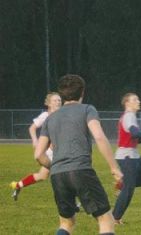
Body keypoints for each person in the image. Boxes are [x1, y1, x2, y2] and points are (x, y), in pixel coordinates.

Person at [34, 74, 123, 235]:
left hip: (58, 175)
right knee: (105, 219)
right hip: (81, 170)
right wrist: (113, 167)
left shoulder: (50, 119)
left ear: (62, 94)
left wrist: (54, 166)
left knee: (66, 223)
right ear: (82, 92)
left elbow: (39, 154)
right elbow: (99, 136)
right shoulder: (88, 109)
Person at [113, 93, 141, 225]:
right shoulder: (128, 116)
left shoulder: (131, 116)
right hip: (126, 156)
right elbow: (134, 133)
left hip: (134, 155)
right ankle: (115, 218)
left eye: (138, 99)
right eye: (135, 99)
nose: (138, 101)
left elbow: (134, 138)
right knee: (129, 188)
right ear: (127, 103)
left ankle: (123, 184)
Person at [10, 92, 62, 201]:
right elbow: (32, 128)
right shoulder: (45, 116)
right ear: (49, 104)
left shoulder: (62, 115)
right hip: (51, 153)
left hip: (59, 151)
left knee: (42, 176)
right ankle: (72, 202)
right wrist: (35, 140)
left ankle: (17, 185)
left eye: (59, 100)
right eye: (55, 100)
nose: (58, 102)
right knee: (64, 174)